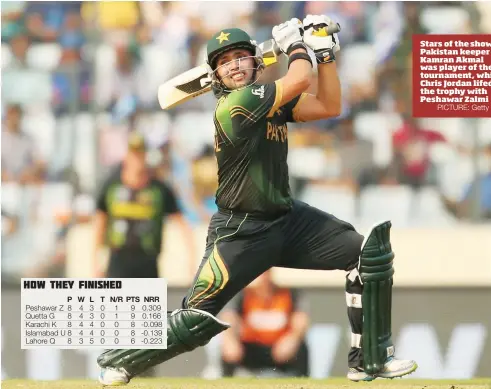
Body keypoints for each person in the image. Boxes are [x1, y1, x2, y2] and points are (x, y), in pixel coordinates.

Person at [97, 15, 418, 386]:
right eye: (224, 60)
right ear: (214, 75)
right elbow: (298, 78)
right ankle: (121, 361)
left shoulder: (270, 102)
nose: (234, 64)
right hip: (240, 231)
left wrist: (325, 56)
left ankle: (369, 361)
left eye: (240, 56)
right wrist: (297, 44)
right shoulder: (236, 105)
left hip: (287, 220)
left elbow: (329, 106)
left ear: (254, 61)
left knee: (367, 254)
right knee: (196, 319)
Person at [93, 131, 195, 279]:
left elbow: (183, 224)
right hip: (118, 261)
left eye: (140, 154)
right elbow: (99, 223)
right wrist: (95, 263)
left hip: (148, 261)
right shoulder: (112, 187)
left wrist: (191, 260)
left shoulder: (159, 189)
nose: (137, 160)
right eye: (133, 154)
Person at [220, 270, 309, 377]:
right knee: (228, 347)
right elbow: (229, 317)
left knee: (301, 347)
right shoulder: (243, 295)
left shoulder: (288, 294)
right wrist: (230, 339)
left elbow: (300, 318)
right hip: (250, 348)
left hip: (279, 349)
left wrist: (292, 338)